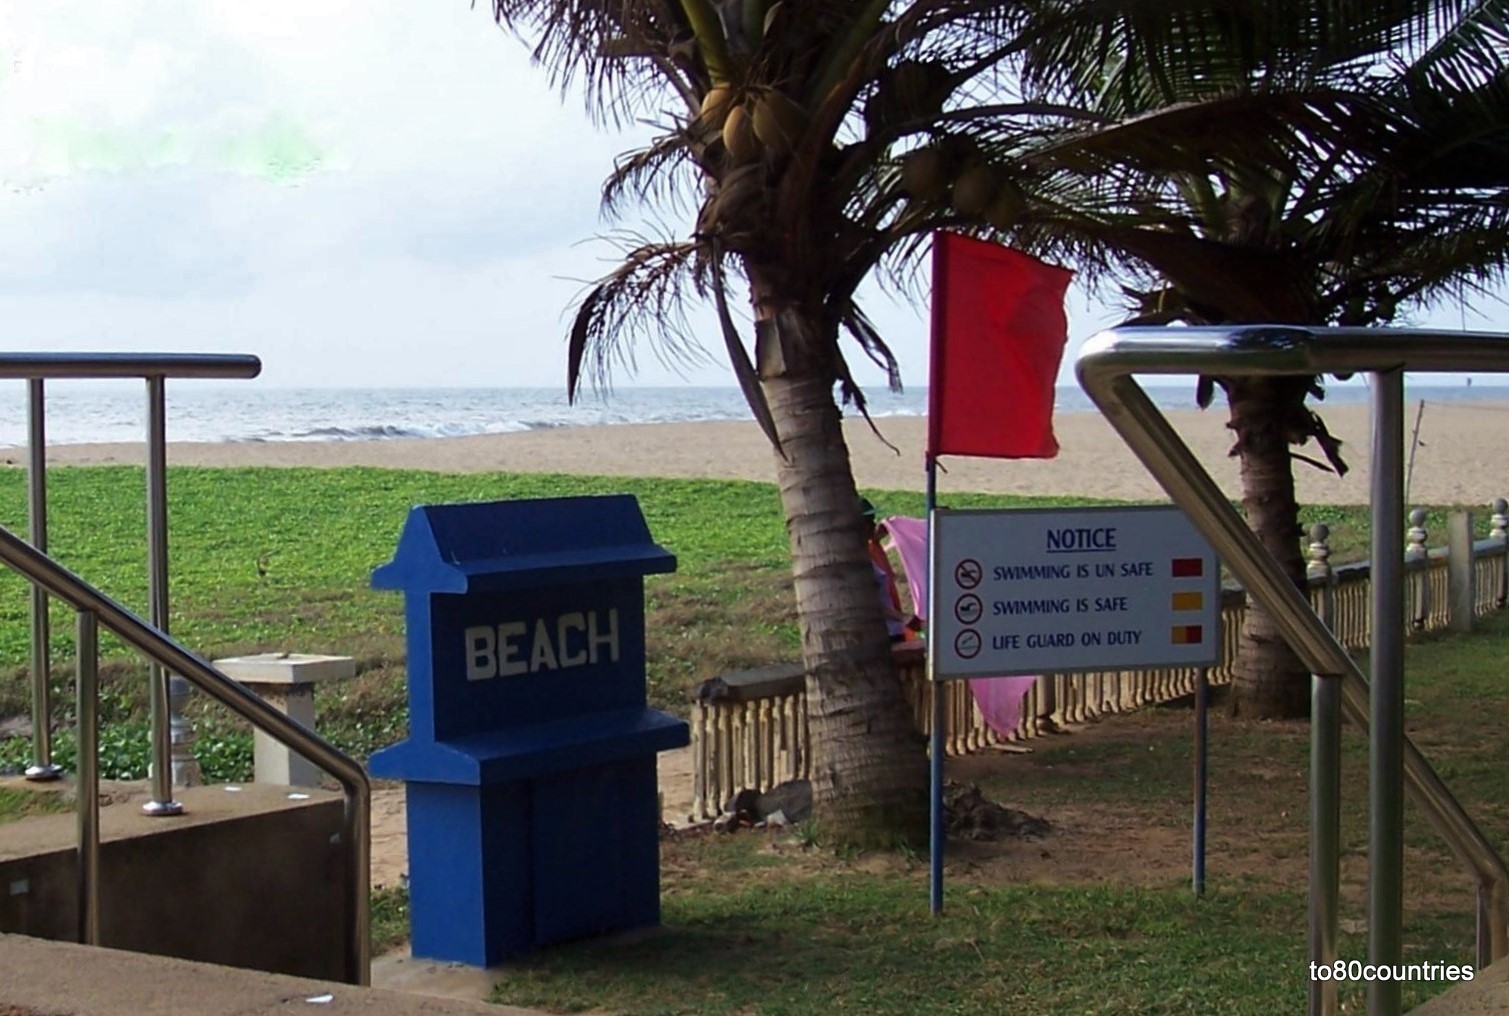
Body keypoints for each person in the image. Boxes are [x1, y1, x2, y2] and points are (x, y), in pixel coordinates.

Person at [859, 497, 922, 642]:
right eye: (868, 521)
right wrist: (902, 617)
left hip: (891, 630)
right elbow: (865, 604)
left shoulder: (870, 551)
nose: (873, 525)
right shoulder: (856, 562)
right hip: (882, 635)